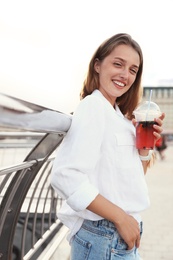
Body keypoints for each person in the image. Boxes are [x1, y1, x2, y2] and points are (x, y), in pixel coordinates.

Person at [51, 33, 165, 259]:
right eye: (118, 64)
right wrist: (121, 218)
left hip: (116, 238)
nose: (125, 75)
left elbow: (129, 182)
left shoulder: (119, 117)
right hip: (105, 236)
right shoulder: (93, 107)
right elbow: (65, 175)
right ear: (97, 65)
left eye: (133, 70)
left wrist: (144, 149)